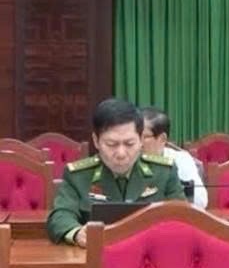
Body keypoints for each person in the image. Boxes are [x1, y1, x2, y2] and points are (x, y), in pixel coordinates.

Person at [46, 98, 187, 247]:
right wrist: (76, 233)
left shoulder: (164, 172)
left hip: (151, 253)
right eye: (111, 144)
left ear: (141, 140)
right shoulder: (78, 176)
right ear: (96, 141)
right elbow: (60, 216)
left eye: (129, 144)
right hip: (98, 254)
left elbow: (183, 216)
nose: (121, 153)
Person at [141, 106, 208, 208]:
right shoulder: (126, 160)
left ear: (162, 139)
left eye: (144, 137)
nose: (136, 142)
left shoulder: (180, 160)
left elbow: (200, 202)